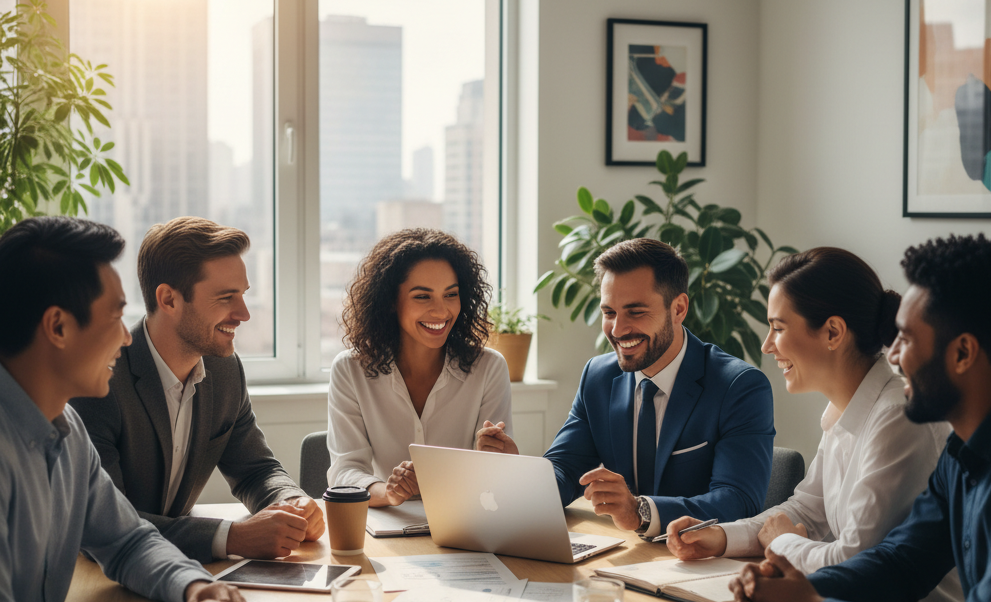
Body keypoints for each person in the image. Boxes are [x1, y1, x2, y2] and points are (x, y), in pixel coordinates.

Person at [0, 217, 250, 602]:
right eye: (115, 316)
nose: (126, 336)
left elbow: (128, 540)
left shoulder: (66, 429)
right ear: (58, 327)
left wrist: (193, 587)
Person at [730, 234, 991, 602]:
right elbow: (900, 563)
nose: (893, 354)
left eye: (906, 338)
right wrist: (790, 588)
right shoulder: (961, 453)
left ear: (963, 353)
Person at [665, 247, 960, 602]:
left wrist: (781, 542)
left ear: (833, 332)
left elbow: (854, 562)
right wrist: (720, 537)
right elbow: (807, 510)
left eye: (778, 328)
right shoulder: (845, 407)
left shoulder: (897, 417)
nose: (767, 345)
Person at [478, 238, 775, 536]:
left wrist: (640, 511)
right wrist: (519, 476)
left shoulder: (739, 386)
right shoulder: (598, 377)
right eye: (609, 313)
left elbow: (739, 501)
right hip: (626, 551)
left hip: (701, 556)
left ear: (678, 309)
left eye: (636, 312)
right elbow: (566, 469)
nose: (618, 330)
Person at [71, 217, 323, 564]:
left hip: (180, 566)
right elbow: (107, 524)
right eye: (226, 297)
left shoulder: (224, 369)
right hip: (99, 573)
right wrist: (231, 537)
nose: (244, 314)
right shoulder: (101, 380)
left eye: (243, 295)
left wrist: (291, 502)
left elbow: (256, 470)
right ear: (169, 299)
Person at [327, 228, 513, 506]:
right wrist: (389, 492)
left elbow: (497, 475)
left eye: (451, 294)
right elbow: (345, 470)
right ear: (391, 301)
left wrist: (501, 460)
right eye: (423, 296)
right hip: (388, 521)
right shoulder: (350, 370)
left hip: (464, 518)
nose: (441, 311)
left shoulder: (489, 368)